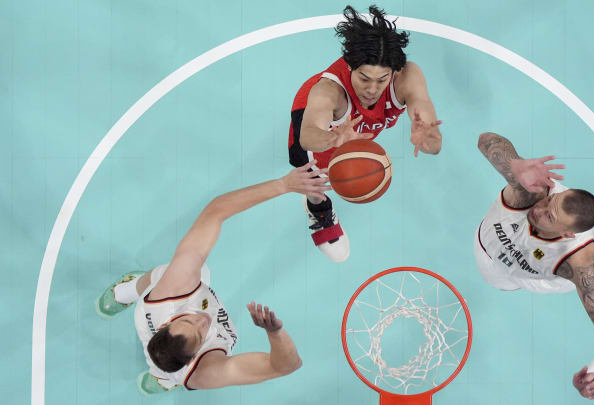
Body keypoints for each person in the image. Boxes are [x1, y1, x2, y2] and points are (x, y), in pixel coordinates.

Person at [94, 162, 330, 394]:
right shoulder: (206, 372)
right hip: (173, 358)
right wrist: (275, 332)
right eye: (199, 335)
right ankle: (163, 381)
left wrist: (284, 184)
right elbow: (287, 366)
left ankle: (124, 293)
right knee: (165, 376)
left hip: (153, 305)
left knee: (168, 274)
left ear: (167, 324)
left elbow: (216, 211)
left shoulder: (172, 292)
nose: (202, 321)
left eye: (188, 322)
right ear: (194, 356)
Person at [474, 132, 594, 399]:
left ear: (567, 233)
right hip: (489, 251)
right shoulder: (531, 192)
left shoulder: (578, 259)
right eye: (550, 202)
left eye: (550, 216)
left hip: (539, 277)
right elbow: (485, 140)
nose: (540, 210)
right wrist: (514, 164)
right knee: (502, 278)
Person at [288, 5, 443, 262]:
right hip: (321, 119)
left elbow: (433, 143)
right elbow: (308, 135)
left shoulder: (408, 78)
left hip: (352, 129)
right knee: (309, 173)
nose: (372, 89)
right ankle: (317, 205)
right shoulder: (328, 91)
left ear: (394, 71)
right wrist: (333, 138)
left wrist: (428, 138)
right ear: (350, 67)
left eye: (381, 80)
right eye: (364, 78)